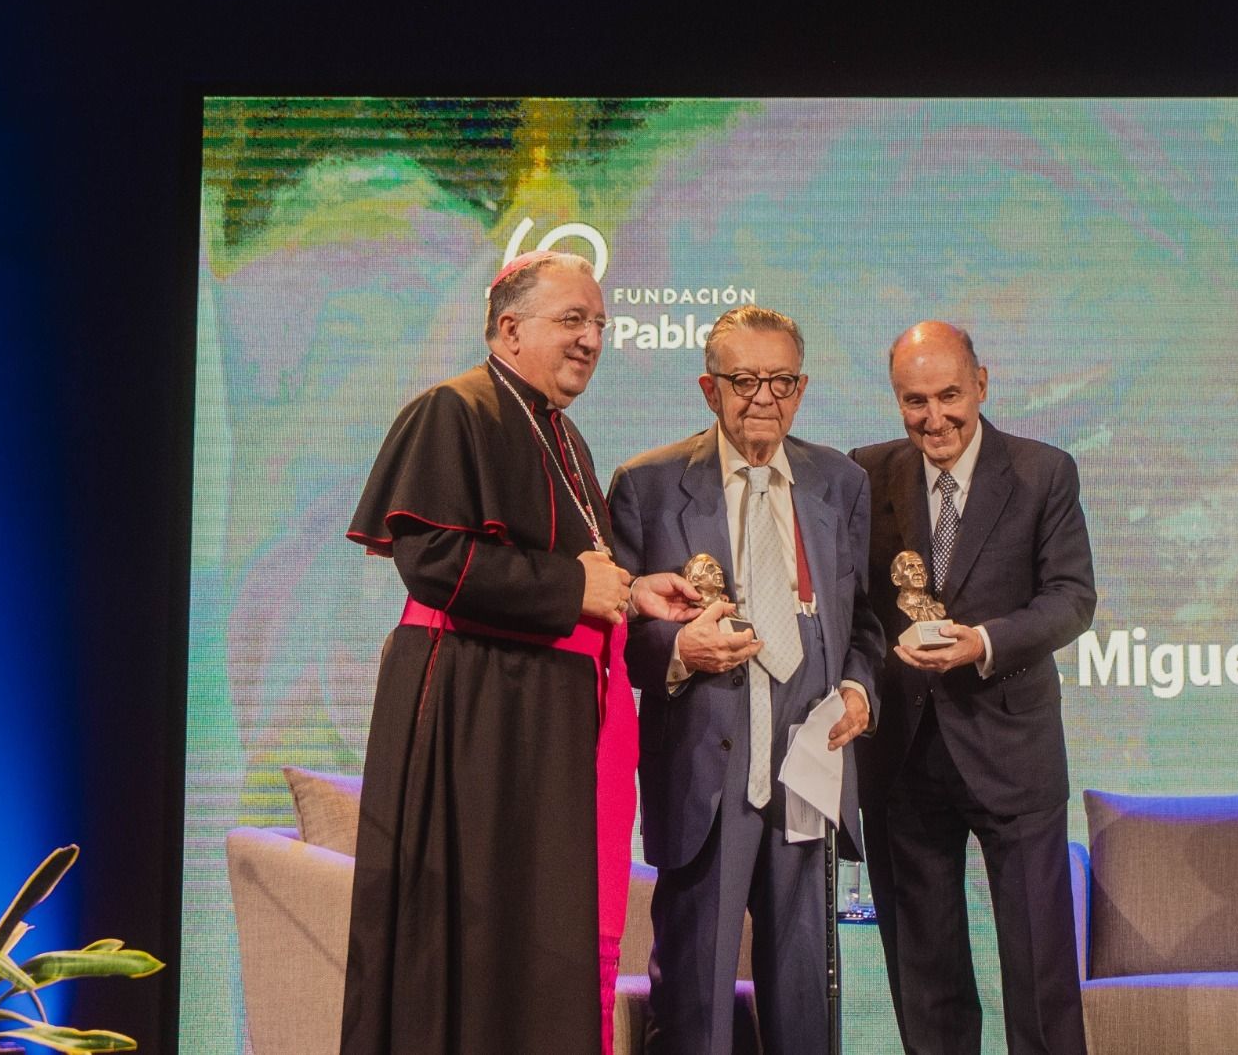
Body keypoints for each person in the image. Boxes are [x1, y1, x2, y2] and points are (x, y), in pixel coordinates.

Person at [341, 250, 699, 1055]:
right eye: (572, 319)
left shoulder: (560, 433)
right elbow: (431, 562)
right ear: (509, 328)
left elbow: (574, 568)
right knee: (472, 942)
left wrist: (632, 592)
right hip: (474, 717)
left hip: (537, 719)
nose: (592, 339)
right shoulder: (454, 409)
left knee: (539, 939)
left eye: (599, 324)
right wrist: (573, 593)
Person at [607, 305, 885, 1054]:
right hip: (706, 782)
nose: (764, 398)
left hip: (807, 771)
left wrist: (859, 689)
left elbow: (864, 625)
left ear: (802, 387)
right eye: (744, 381)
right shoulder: (650, 485)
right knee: (697, 1010)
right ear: (709, 388)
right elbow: (620, 638)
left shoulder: (841, 483)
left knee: (806, 1009)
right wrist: (678, 650)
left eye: (781, 381)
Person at [852, 321, 1096, 1055]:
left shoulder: (1042, 472)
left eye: (950, 396)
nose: (934, 418)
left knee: (1039, 974)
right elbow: (857, 603)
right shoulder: (866, 473)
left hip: (1011, 751)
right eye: (914, 401)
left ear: (981, 386)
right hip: (902, 758)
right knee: (924, 976)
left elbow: (1070, 598)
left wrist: (982, 642)